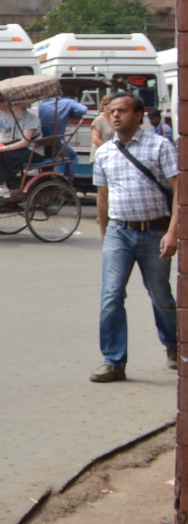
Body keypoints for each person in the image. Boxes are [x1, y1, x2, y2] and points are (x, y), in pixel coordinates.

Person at [89, 94, 179, 382]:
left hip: (155, 232)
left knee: (161, 296)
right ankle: (113, 361)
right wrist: (106, 238)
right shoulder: (104, 153)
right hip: (119, 231)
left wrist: (172, 232)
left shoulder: (160, 146)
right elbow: (102, 200)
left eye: (122, 111)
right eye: (111, 111)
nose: (115, 116)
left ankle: (174, 345)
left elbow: (180, 192)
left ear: (138, 115)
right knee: (111, 296)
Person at [0, 95, 39, 193]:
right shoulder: (10, 116)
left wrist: (3, 149)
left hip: (32, 150)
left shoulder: (30, 118)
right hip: (18, 147)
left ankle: (3, 187)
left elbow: (25, 142)